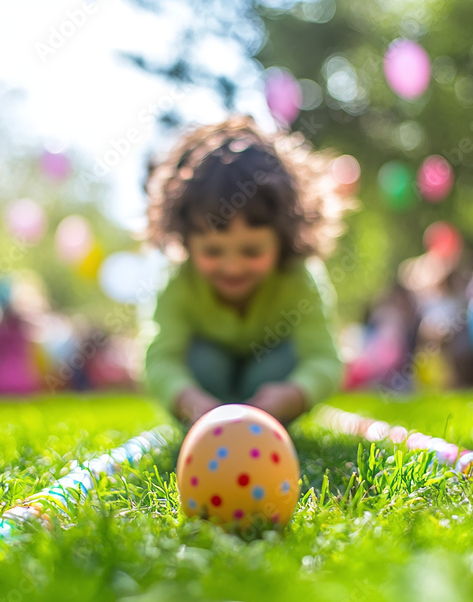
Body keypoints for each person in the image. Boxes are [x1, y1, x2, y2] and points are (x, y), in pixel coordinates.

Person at [141, 116, 349, 425]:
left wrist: (293, 395)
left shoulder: (299, 278)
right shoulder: (179, 282)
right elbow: (160, 360)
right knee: (205, 363)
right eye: (212, 251)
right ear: (187, 241)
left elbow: (324, 358)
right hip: (207, 388)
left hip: (271, 384)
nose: (233, 266)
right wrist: (190, 400)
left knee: (278, 363)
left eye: (251, 251)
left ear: (283, 240)